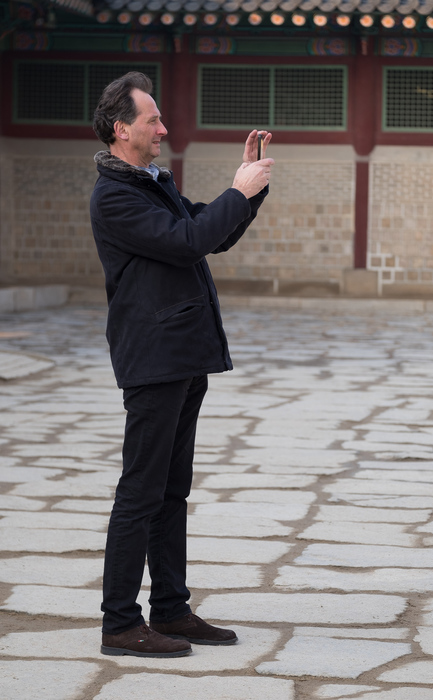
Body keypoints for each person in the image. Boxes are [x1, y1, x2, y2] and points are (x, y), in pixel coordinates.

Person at [90, 71, 273, 658]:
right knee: (140, 491)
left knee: (171, 490)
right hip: (153, 358)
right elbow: (186, 240)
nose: (164, 128)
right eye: (153, 120)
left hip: (182, 355)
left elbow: (209, 234)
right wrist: (237, 192)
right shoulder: (116, 195)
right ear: (122, 129)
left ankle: (170, 609)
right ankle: (120, 622)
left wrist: (249, 190)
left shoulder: (150, 183)